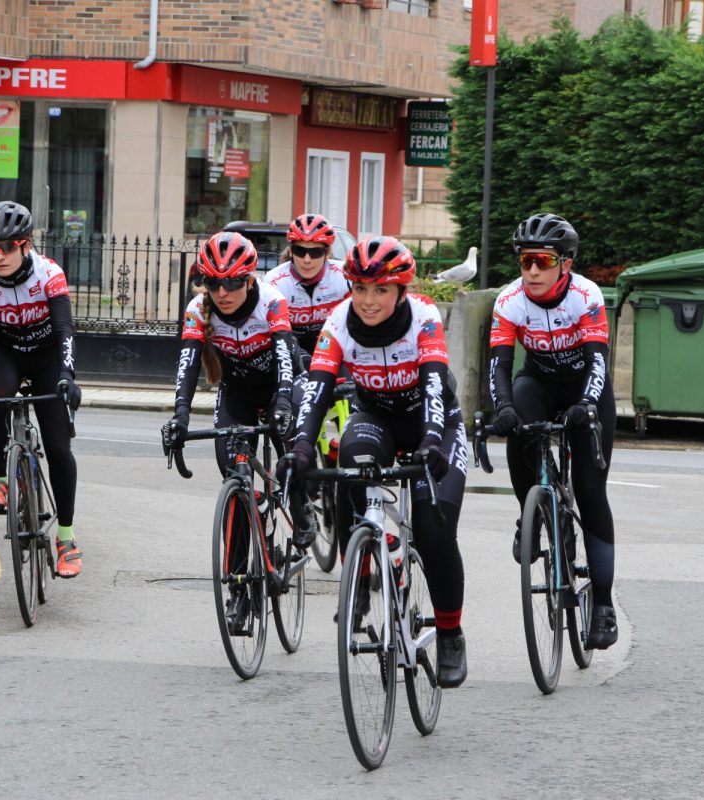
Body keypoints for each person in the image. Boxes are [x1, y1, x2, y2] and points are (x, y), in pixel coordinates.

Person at [276, 236, 470, 688]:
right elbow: (318, 388)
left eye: (380, 290)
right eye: (360, 289)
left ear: (401, 291)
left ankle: (450, 633)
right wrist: (302, 446)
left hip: (433, 424)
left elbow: (435, 385)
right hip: (377, 417)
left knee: (433, 528)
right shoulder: (338, 322)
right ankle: (360, 575)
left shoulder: (423, 316)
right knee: (349, 461)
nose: (367, 300)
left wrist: (433, 441)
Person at [488, 212, 618, 650]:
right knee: (517, 426)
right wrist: (502, 407)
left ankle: (602, 604)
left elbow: (599, 359)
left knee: (590, 490)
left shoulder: (586, 295)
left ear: (565, 264)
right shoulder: (510, 301)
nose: (532, 271)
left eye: (542, 261)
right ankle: (532, 512)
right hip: (539, 382)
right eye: (525, 261)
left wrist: (586, 404)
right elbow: (500, 365)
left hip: (586, 387)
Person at [162, 231, 302, 631]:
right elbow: (188, 364)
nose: (223, 292)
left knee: (294, 451)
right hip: (237, 394)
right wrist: (181, 416)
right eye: (214, 283)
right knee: (236, 482)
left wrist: (282, 405)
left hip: (279, 385)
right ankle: (239, 590)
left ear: (250, 280)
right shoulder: (197, 310)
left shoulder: (272, 302)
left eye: (233, 282)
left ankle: (304, 508)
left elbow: (285, 359)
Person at [0, 201, 85, 579]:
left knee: (58, 447)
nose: (0, 255)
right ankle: (0, 480)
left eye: (8, 246)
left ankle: (67, 539)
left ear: (26, 245)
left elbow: (64, 331)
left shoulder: (49, 274)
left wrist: (66, 376)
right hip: (3, 351)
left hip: (45, 354)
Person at [264, 213, 350, 369]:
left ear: (328, 253)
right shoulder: (275, 281)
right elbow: (273, 337)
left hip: (334, 348)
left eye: (316, 252)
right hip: (292, 351)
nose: (307, 259)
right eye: (300, 251)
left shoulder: (344, 277)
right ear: (290, 251)